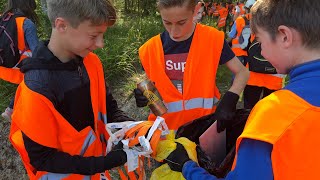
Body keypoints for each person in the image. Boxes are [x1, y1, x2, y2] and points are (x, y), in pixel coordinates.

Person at [165, 0, 320, 179]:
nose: (260, 52)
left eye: (260, 41)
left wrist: (187, 167)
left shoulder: (274, 114)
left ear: (284, 36)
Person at [9, 0, 133, 179]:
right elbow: (41, 158)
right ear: (61, 25)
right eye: (93, 36)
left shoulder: (91, 63)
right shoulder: (37, 88)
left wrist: (133, 127)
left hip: (95, 173)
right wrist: (103, 163)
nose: (100, 44)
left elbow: (109, 108)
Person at [134, 0, 249, 131]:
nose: (174, 32)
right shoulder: (149, 50)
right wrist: (143, 95)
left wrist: (231, 98)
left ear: (195, 10)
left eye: (181, 22)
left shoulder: (212, 39)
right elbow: (152, 84)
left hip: (203, 128)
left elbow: (242, 72)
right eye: (167, 23)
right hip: (165, 133)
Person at [0, 0, 39, 121]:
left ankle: (11, 110)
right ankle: (20, 112)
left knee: (27, 79)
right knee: (37, 74)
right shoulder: (26, 23)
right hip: (18, 69)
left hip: (3, 68)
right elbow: (37, 53)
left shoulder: (2, 18)